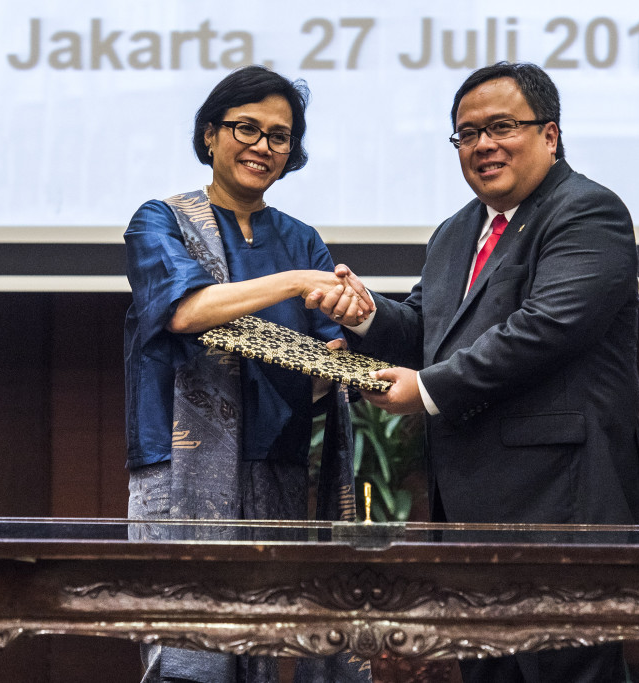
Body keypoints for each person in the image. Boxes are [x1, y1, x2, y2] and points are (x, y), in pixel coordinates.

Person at [308, 62, 639, 682]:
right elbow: (425, 327)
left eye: (501, 127)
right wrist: (363, 316)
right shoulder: (456, 231)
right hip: (471, 506)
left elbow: (547, 329)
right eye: (467, 134)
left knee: (568, 671)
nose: (483, 145)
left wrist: (428, 389)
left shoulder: (587, 212)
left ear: (550, 135)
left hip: (561, 506)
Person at [124, 65, 372, 683]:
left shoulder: (303, 239)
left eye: (280, 136)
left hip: (278, 464)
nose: (263, 147)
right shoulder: (162, 221)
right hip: (178, 470)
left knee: (265, 651)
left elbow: (327, 362)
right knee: (188, 654)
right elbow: (185, 311)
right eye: (247, 128)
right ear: (210, 134)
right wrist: (294, 283)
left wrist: (351, 337)